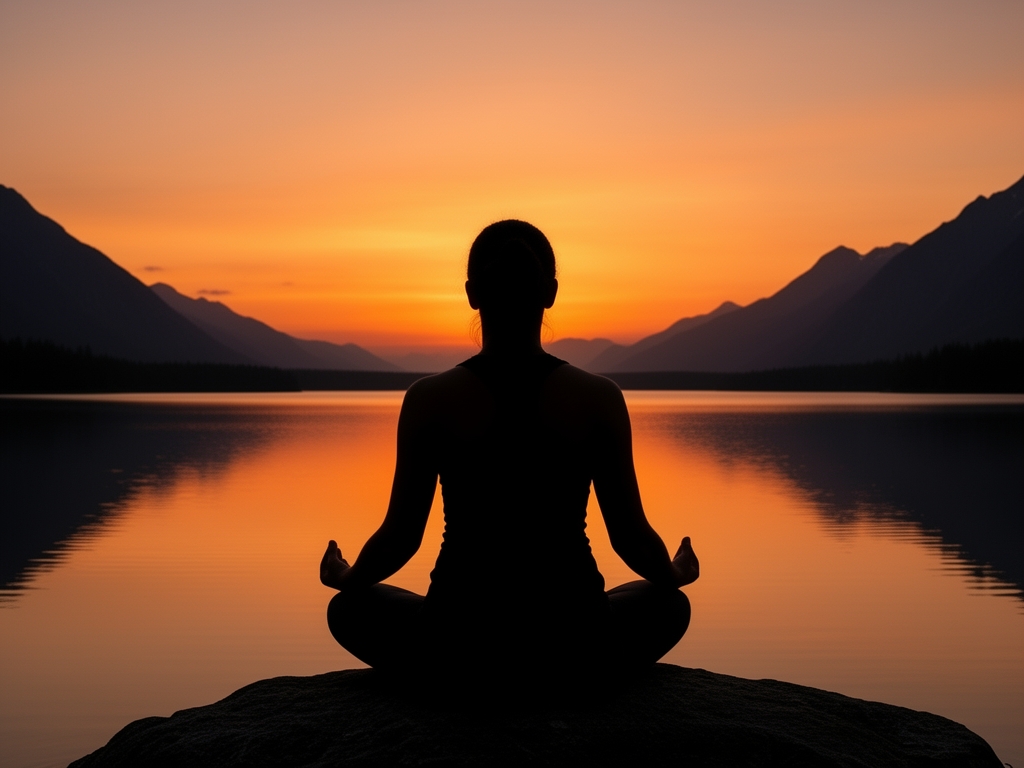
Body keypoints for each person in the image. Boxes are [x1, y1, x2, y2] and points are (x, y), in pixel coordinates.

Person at [320, 220, 698, 694]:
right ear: (551, 292)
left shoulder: (429, 398)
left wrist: (350, 576)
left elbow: (400, 539)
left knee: (347, 610)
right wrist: (672, 573)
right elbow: (631, 539)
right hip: (576, 637)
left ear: (472, 294)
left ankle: (465, 683)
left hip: (457, 639)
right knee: (669, 605)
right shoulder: (599, 397)